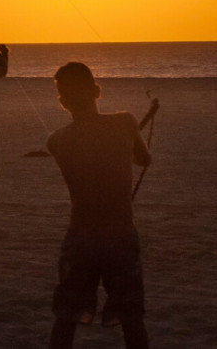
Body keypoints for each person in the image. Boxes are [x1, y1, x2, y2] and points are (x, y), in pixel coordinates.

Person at [46, 62, 151, 349]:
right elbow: (144, 159)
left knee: (66, 316)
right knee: (131, 316)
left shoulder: (55, 141)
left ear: (62, 101)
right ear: (96, 91)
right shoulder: (125, 121)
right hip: (120, 235)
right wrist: (129, 136)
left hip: (80, 237)